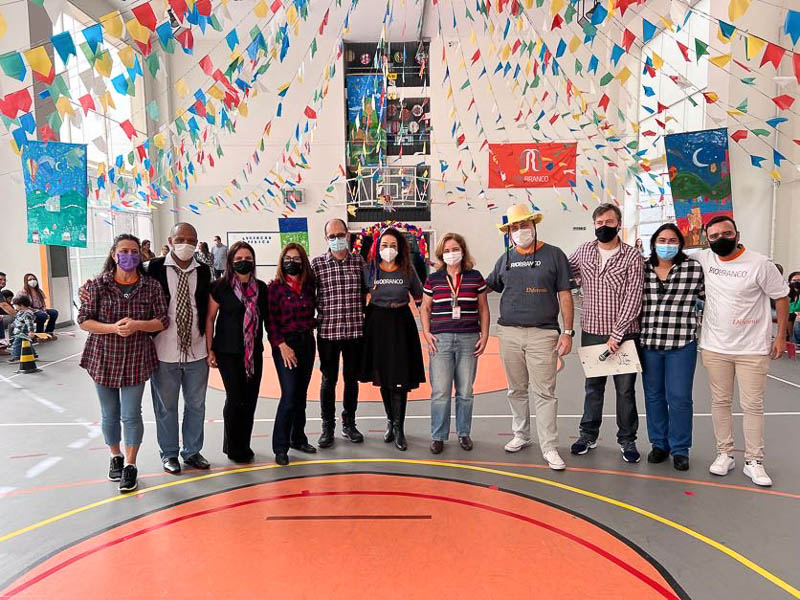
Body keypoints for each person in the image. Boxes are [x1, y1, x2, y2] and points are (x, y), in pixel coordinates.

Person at [698, 216, 789, 487]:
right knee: (720, 401)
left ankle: (754, 460)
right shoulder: (704, 258)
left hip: (752, 349)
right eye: (714, 236)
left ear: (737, 234)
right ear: (707, 239)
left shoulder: (760, 264)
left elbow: (781, 297)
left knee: (752, 405)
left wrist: (780, 336)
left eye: (726, 233)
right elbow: (670, 256)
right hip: (715, 347)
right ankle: (724, 453)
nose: (721, 239)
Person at [77, 234, 169, 494]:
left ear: (140, 255)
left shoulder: (151, 286)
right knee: (109, 413)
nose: (129, 255)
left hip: (137, 358)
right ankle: (115, 456)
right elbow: (83, 320)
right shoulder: (98, 285)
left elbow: (163, 320)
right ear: (114, 254)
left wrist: (138, 325)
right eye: (124, 251)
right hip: (103, 358)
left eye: (134, 251)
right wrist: (112, 328)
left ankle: (130, 464)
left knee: (131, 414)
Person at [485, 205, 575, 470]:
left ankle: (549, 447)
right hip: (509, 333)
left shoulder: (554, 255)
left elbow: (565, 295)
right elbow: (486, 286)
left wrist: (567, 332)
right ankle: (521, 434)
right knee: (516, 389)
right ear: (509, 232)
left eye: (524, 225)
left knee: (545, 392)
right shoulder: (505, 259)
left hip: (543, 334)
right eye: (515, 227)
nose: (520, 231)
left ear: (534, 226)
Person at [569, 203, 644, 463]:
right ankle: (587, 435)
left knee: (625, 391)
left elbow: (634, 297)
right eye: (599, 223)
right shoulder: (584, 251)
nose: (604, 227)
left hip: (625, 336)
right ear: (594, 225)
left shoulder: (632, 256)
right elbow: (563, 271)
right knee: (593, 388)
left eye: (609, 222)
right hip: (592, 331)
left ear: (618, 224)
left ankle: (627, 440)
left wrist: (617, 334)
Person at [147, 223, 213, 474]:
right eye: (180, 239)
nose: (186, 244)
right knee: (166, 407)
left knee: (196, 405)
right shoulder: (153, 268)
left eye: (191, 240)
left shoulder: (204, 271)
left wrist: (210, 346)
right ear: (170, 240)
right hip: (164, 351)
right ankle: (169, 453)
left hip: (197, 350)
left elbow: (207, 310)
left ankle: (192, 451)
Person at [640, 224, 704, 471]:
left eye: (672, 240)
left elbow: (709, 297)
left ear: (680, 244)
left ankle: (680, 448)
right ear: (654, 243)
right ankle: (659, 444)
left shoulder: (693, 268)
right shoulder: (641, 269)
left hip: (681, 344)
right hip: (649, 344)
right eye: (662, 240)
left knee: (679, 397)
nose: (667, 245)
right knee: (654, 396)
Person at [421, 233, 490, 454]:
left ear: (463, 251)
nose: (451, 254)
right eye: (447, 250)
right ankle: (438, 435)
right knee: (440, 391)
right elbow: (425, 308)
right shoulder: (433, 279)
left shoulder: (475, 277)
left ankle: (463, 433)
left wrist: (485, 335)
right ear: (441, 254)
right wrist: (426, 333)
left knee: (465, 391)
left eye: (455, 249)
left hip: (468, 339)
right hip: (440, 340)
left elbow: (483, 308)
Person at [360, 227, 425, 451]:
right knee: (384, 377)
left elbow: (419, 297)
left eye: (393, 245)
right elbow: (360, 297)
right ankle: (390, 420)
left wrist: (429, 326)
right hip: (377, 324)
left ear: (400, 248)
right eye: (385, 245)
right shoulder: (369, 270)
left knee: (400, 379)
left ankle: (399, 428)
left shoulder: (407, 269)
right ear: (377, 247)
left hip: (401, 324)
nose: (389, 249)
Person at [206, 241, 268, 464]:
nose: (244, 262)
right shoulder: (219, 287)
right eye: (239, 259)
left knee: (250, 400)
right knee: (235, 399)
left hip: (253, 353)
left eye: (248, 259)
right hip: (227, 352)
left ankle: (244, 444)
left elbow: (267, 319)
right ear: (231, 262)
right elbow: (210, 319)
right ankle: (232, 447)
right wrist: (209, 350)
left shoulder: (261, 288)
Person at [311, 218, 366, 447]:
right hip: (328, 333)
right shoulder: (317, 265)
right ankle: (328, 427)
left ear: (348, 235)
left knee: (351, 380)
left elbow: (368, 291)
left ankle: (349, 423)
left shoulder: (359, 262)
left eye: (340, 235)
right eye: (332, 236)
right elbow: (307, 294)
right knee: (328, 381)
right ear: (326, 239)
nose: (336, 239)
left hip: (355, 332)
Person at [267, 243, 317, 465]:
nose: (292, 262)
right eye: (288, 258)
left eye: (296, 259)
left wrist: (317, 323)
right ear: (282, 261)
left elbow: (312, 314)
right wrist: (282, 345)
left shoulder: (308, 286)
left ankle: (298, 438)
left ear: (303, 262)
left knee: (301, 394)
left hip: (307, 343)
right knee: (289, 395)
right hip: (285, 346)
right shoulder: (274, 288)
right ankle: (280, 447)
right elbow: (271, 322)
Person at [8, 294, 37, 362]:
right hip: (19, 331)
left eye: (16, 305)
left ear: (21, 305)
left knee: (16, 344)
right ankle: (33, 354)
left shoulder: (27, 314)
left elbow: (30, 324)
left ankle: (16, 356)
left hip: (22, 332)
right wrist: (14, 324)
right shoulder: (20, 312)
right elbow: (18, 320)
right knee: (27, 343)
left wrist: (31, 331)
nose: (15, 307)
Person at [788, 271, 800, 344]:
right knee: (789, 316)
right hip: (792, 315)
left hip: (798, 316)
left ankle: (795, 343)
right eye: (794, 280)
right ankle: (791, 340)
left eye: (799, 280)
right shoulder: (788, 294)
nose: (797, 282)